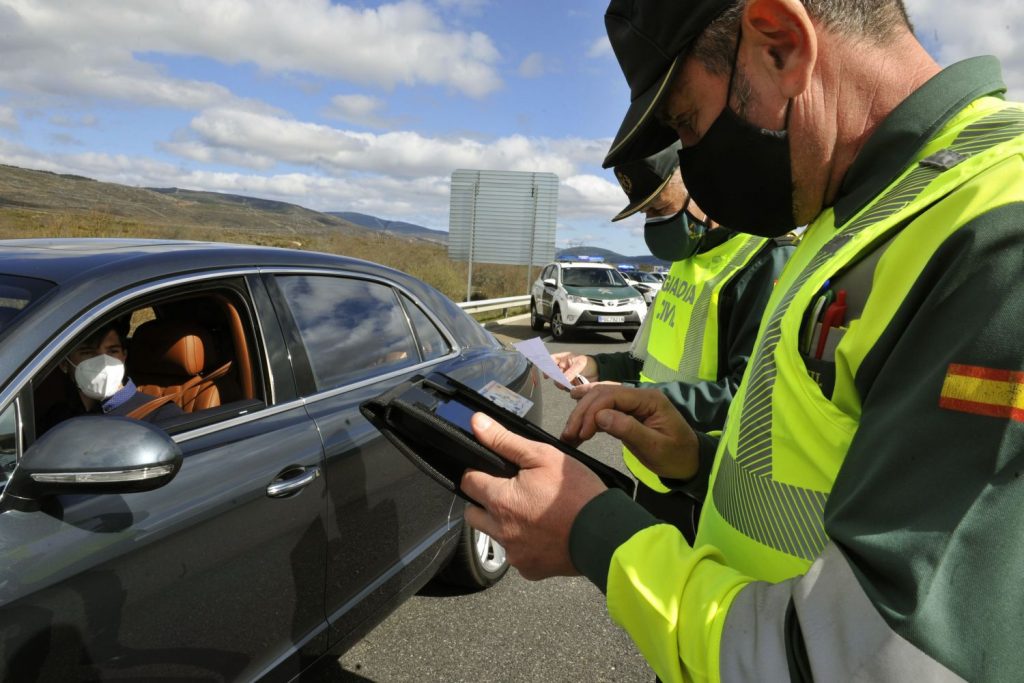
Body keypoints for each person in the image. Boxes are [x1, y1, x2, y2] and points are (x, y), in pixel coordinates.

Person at [461, 0, 1024, 681]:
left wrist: (593, 534)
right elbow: (816, 463)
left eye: (687, 123)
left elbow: (870, 663)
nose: (692, 164)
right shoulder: (850, 217)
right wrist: (699, 461)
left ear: (781, 44)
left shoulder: (998, 236)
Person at [553, 143, 794, 539]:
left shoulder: (763, 261)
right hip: (652, 471)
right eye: (644, 212)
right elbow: (646, 361)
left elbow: (750, 398)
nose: (652, 222)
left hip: (707, 484)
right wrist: (595, 366)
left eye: (658, 207)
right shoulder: (687, 260)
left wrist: (635, 398)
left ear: (704, 182)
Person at [40, 321, 182, 434]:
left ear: (124, 356)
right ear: (65, 364)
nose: (103, 362)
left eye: (112, 351)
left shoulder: (161, 414)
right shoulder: (59, 417)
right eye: (88, 352)